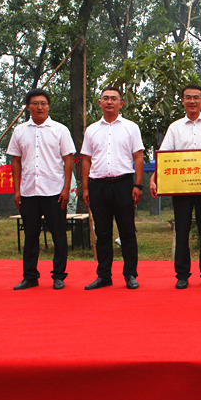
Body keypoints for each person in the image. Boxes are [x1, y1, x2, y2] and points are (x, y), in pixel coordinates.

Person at [149, 83, 201, 289]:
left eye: (196, 97)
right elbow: (164, 156)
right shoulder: (175, 127)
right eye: (188, 97)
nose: (192, 101)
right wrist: (154, 177)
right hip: (181, 187)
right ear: (182, 101)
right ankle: (182, 275)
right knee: (182, 230)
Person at [6, 88, 75, 290]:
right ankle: (30, 276)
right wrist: (17, 190)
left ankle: (59, 276)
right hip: (28, 191)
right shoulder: (19, 131)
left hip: (54, 191)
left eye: (43, 103)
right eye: (35, 103)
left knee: (58, 234)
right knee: (30, 235)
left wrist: (66, 189)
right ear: (28, 107)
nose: (39, 107)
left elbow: (68, 160)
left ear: (49, 106)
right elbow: (16, 161)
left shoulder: (60, 130)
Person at [80, 87, 144, 290]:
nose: (109, 102)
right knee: (102, 233)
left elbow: (138, 157)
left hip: (123, 184)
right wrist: (85, 188)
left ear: (121, 103)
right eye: (105, 98)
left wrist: (138, 184)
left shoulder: (131, 127)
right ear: (99, 103)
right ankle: (104, 276)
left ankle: (130, 275)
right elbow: (86, 159)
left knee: (127, 232)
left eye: (114, 99)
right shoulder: (91, 129)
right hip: (98, 185)